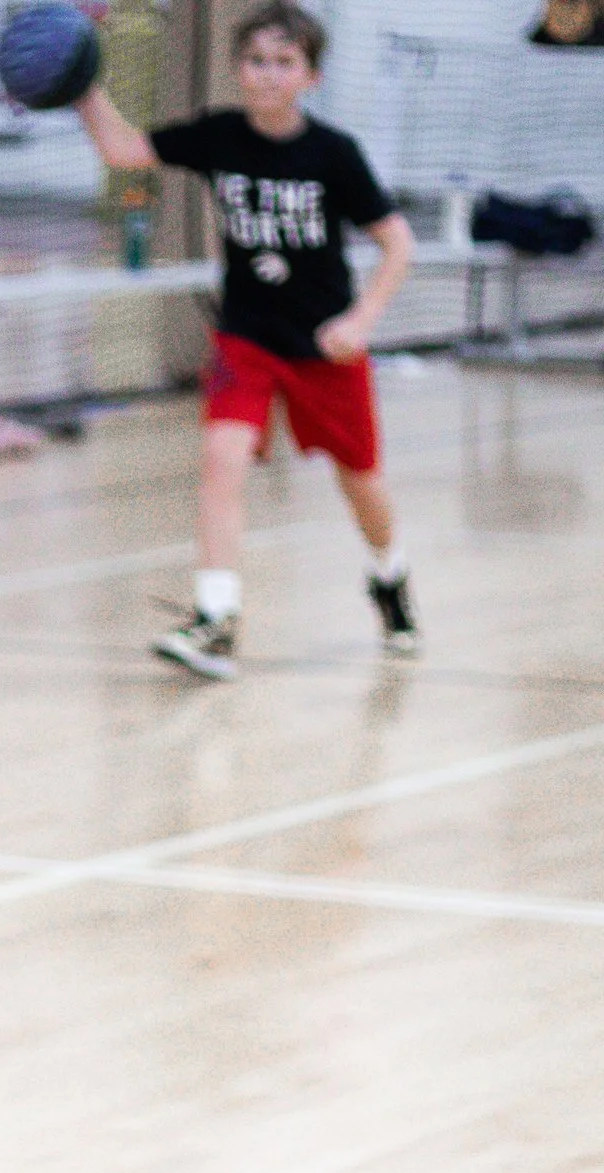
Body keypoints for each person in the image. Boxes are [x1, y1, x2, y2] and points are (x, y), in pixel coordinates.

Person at [74, 0, 418, 680]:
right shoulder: (220, 136)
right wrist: (81, 82)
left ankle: (389, 575)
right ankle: (216, 618)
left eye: (284, 62)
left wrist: (361, 321)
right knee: (220, 459)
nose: (267, 75)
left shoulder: (333, 155)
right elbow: (122, 149)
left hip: (323, 345)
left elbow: (397, 243)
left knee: (362, 485)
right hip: (246, 338)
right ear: (238, 70)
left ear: (311, 77)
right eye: (256, 61)